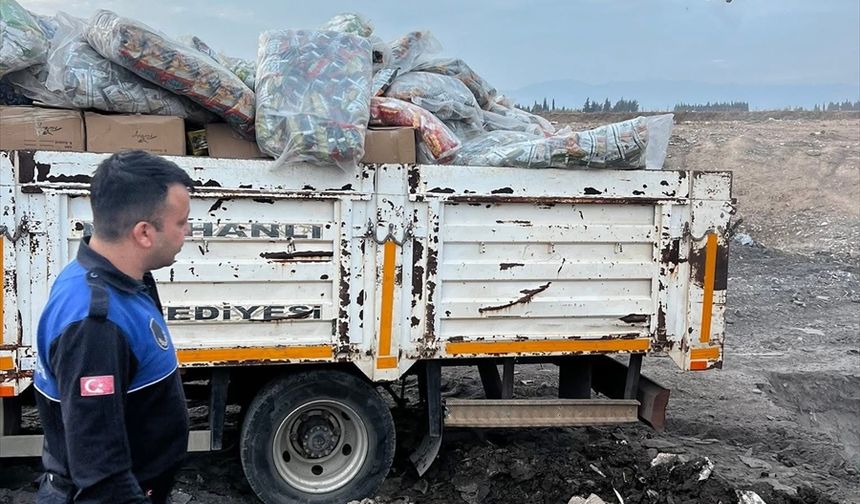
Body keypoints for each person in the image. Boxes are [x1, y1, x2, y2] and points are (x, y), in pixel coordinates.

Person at [33, 150, 194, 503]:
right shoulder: (96, 326)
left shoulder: (120, 278)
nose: (187, 231)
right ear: (144, 233)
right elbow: (102, 479)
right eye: (181, 222)